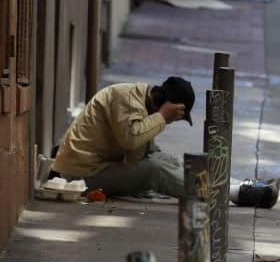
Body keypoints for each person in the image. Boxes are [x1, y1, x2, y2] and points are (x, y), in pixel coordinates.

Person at [53, 77, 195, 198]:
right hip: (81, 177)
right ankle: (202, 193)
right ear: (166, 104)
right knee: (155, 170)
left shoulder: (143, 102)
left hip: (101, 168)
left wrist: (173, 162)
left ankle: (202, 181)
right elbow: (131, 140)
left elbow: (143, 153)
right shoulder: (125, 97)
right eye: (174, 116)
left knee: (164, 159)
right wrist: (162, 116)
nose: (172, 120)